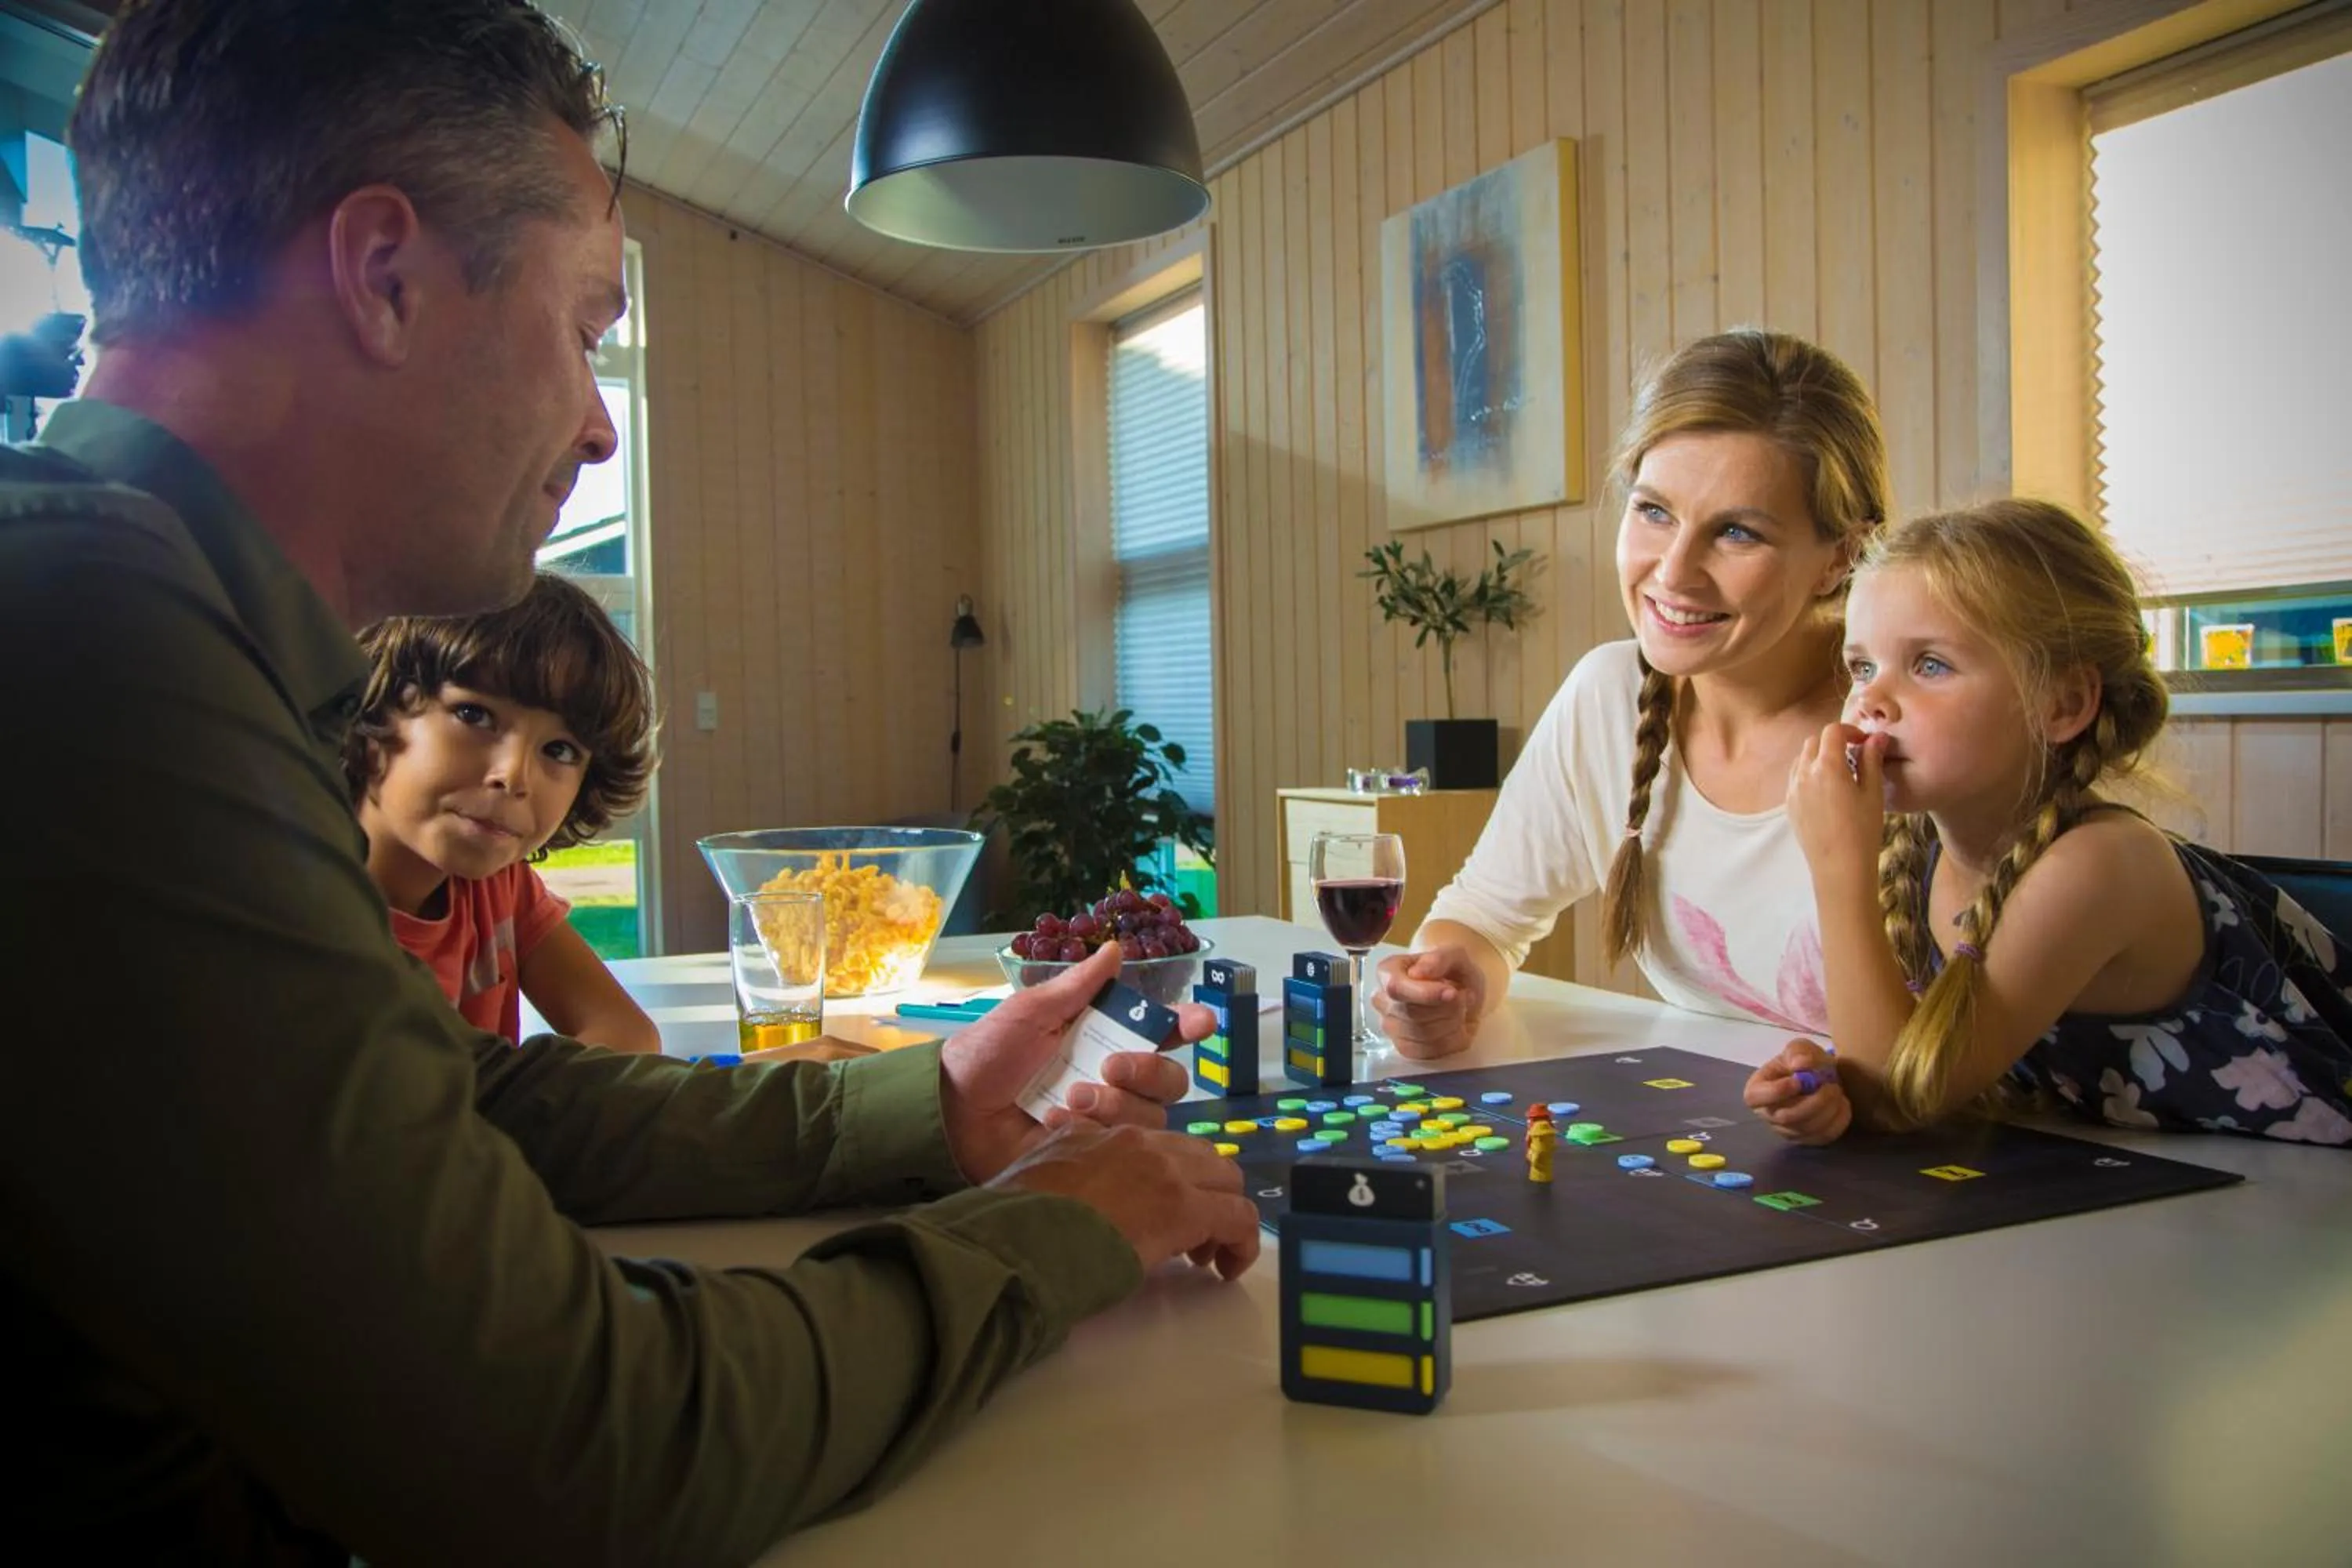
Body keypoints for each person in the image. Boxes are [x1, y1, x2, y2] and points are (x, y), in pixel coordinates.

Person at [0, 3, 1257, 1562]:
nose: (599, 423)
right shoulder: (84, 647)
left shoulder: (152, 621)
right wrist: (1059, 1227)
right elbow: (575, 1449)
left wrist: (923, 1101)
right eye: (587, 330)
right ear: (382, 276)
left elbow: (465, 1098)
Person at [1745, 499, 2352, 1145]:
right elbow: (1913, 1066)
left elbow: (1899, 1102)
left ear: (2062, 704)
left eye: (1930, 665)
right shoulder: (1917, 852)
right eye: (1863, 666)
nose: (1870, 699)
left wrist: (1838, 869)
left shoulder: (2102, 865)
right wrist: (1827, 1081)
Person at [1375, 328, 1891, 1055]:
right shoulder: (1609, 695)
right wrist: (1452, 983)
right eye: (1653, 512)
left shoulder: (1900, 726)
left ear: (1839, 556)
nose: (1674, 572)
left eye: (1738, 532)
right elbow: (1486, 915)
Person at [347, 572, 663, 1051]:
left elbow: (629, 1035)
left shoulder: (497, 889)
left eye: (558, 750)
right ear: (378, 705)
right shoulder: (309, 908)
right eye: (474, 715)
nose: (514, 776)